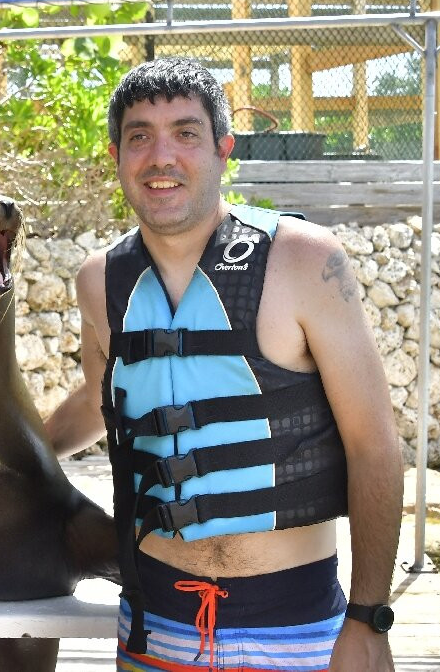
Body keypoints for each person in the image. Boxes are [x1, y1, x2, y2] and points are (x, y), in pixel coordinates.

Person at [45, 58, 402, 671]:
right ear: (116, 156)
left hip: (296, 634)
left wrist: (369, 619)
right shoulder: (99, 281)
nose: (161, 157)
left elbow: (375, 445)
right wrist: (10, 449)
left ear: (223, 150)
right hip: (154, 628)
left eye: (185, 133)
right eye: (139, 137)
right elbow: (99, 400)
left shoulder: (302, 259)